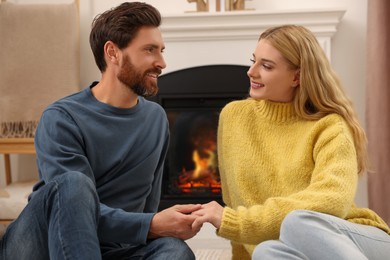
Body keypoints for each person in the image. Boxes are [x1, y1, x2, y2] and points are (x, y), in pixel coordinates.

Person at [0, 2, 202, 260]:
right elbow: (70, 209)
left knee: (175, 251)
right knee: (73, 183)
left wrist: (157, 225)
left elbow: (148, 206)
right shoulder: (62, 118)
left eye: (161, 50)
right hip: (43, 246)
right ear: (113, 52)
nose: (162, 62)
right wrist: (150, 225)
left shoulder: (156, 119)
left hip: (115, 249)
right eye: (150, 50)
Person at [191, 24, 390, 259]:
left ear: (297, 76)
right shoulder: (234, 117)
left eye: (266, 66)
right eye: (253, 60)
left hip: (356, 239)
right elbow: (236, 198)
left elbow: (333, 200)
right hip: (292, 247)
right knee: (265, 251)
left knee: (297, 221)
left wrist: (234, 221)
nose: (251, 71)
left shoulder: (330, 126)